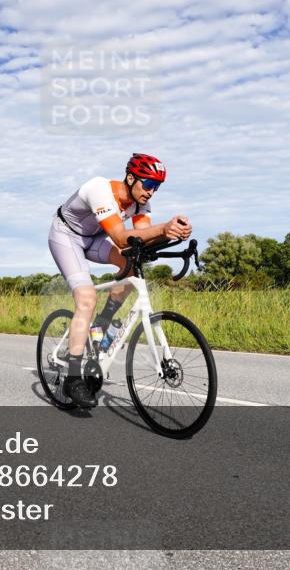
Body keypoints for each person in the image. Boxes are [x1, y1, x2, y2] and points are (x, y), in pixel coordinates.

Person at [49, 153, 192, 408]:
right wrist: (163, 228)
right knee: (87, 297)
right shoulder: (99, 189)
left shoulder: (140, 203)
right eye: (148, 184)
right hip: (66, 236)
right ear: (131, 178)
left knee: (133, 267)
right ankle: (72, 378)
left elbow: (140, 239)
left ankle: (102, 323)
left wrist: (172, 234)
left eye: (156, 187)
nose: (151, 191)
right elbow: (120, 237)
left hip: (94, 239)